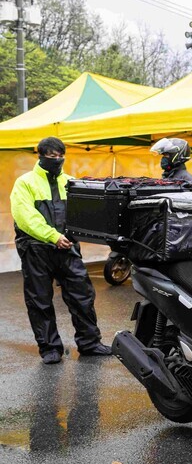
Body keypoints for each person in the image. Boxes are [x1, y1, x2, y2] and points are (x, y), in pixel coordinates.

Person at [11, 137, 112, 364]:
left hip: (67, 248)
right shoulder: (25, 183)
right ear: (40, 156)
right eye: (51, 156)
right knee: (40, 300)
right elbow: (25, 217)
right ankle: (49, 348)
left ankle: (90, 343)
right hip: (36, 249)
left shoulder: (71, 183)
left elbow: (83, 215)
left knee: (82, 296)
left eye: (60, 156)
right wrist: (53, 236)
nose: (56, 160)